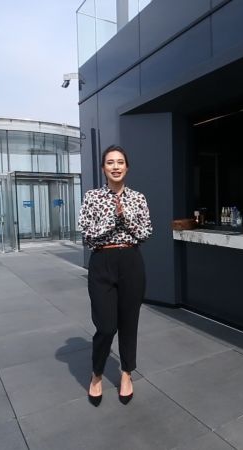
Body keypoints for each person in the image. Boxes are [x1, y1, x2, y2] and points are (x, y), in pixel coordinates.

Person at [78, 145, 152, 406]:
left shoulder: (138, 198)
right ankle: (97, 374)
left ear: (127, 167)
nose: (116, 166)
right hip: (102, 261)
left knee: (129, 323)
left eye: (120, 162)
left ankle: (127, 374)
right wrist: (113, 221)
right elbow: (87, 235)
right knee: (106, 326)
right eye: (110, 162)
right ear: (103, 168)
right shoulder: (92, 197)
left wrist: (126, 219)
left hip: (131, 261)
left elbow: (145, 232)